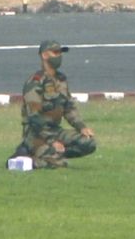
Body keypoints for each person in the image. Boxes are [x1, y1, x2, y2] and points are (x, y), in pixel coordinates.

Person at [16, 40, 96, 169]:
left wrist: (82, 127)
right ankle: (28, 158)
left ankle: (50, 154)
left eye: (60, 53)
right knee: (60, 163)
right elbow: (34, 117)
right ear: (44, 55)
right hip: (36, 135)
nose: (59, 56)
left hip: (55, 131)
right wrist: (51, 142)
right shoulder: (35, 82)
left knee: (88, 143)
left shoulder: (61, 80)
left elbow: (69, 107)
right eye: (55, 52)